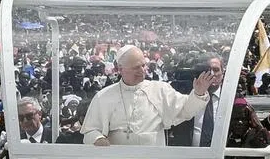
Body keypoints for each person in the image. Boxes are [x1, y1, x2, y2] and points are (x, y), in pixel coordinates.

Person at [82, 46, 211, 147]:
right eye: (136, 67)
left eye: (143, 65)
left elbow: (185, 111)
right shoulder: (104, 96)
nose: (142, 71)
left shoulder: (160, 90)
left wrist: (198, 93)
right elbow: (90, 131)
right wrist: (98, 139)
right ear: (120, 69)